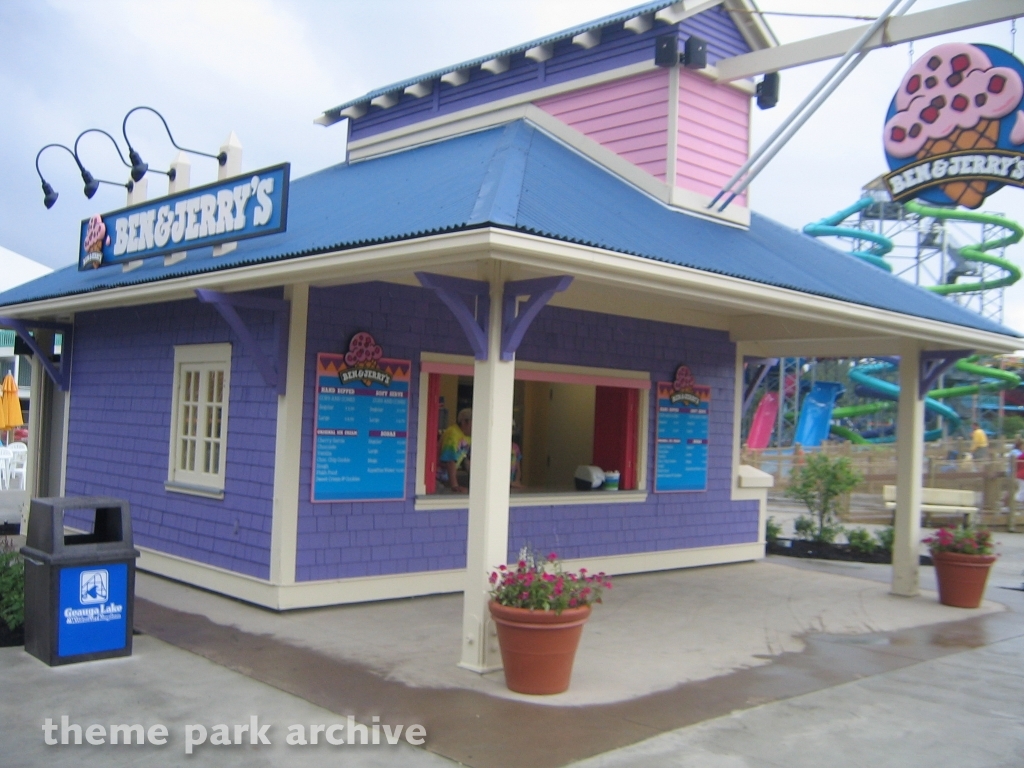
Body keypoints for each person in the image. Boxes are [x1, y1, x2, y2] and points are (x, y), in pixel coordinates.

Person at [437, 408, 472, 493]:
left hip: (447, 478)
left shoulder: (468, 436)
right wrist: (455, 486)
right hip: (436, 478)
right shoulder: (452, 434)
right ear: (464, 422)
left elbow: (466, 460)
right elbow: (450, 461)